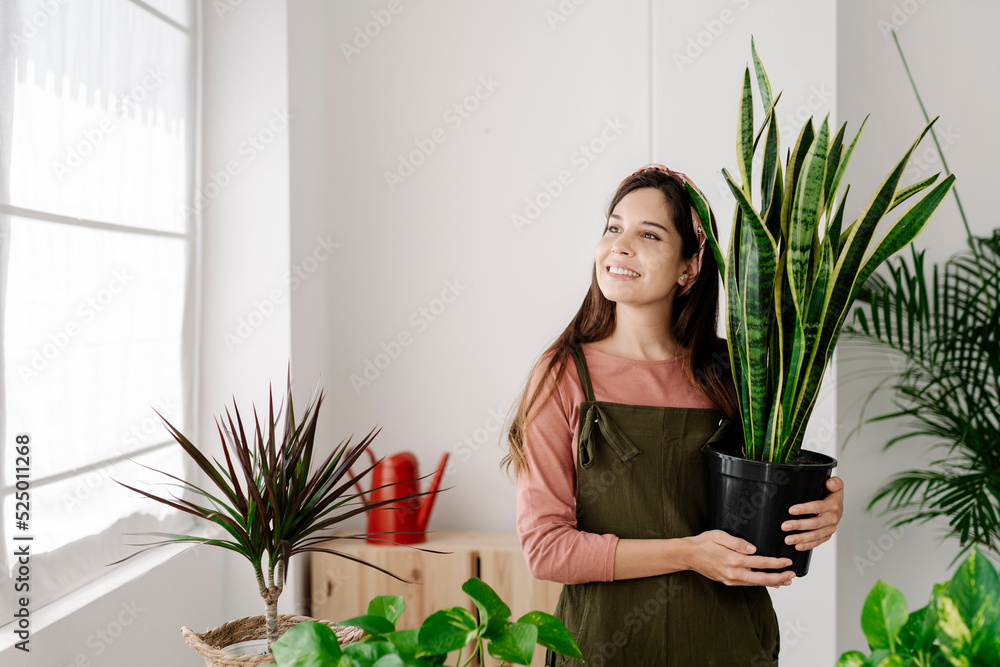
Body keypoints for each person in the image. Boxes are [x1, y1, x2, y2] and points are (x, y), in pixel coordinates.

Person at [503, 164, 845, 666]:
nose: (620, 246)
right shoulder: (564, 374)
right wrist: (688, 553)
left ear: (689, 266)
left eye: (649, 234)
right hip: (602, 648)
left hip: (729, 645)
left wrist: (820, 509)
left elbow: (773, 498)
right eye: (613, 228)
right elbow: (546, 549)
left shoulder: (735, 374)